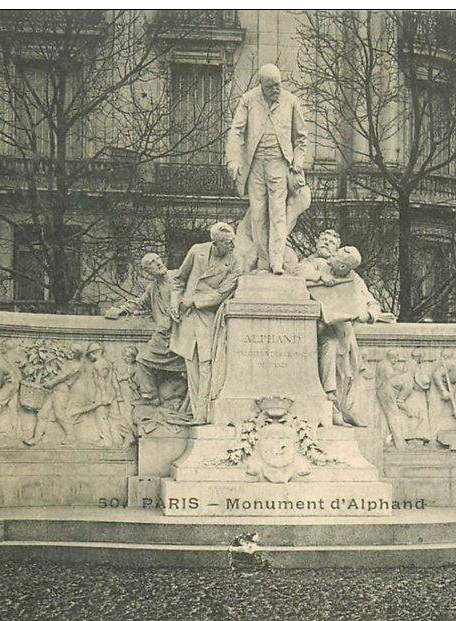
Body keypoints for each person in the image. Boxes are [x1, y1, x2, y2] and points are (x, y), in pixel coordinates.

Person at [226, 63, 308, 275]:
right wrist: (233, 160)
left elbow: (301, 137)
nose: (275, 90)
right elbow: (236, 131)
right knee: (258, 213)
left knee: (278, 212)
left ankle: (277, 259)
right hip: (255, 164)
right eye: (270, 86)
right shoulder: (248, 100)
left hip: (279, 163)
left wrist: (298, 161)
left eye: (278, 84)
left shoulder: (291, 102)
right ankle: (264, 259)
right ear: (260, 84)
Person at [307, 245, 396, 426]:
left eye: (337, 257)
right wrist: (320, 277)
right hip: (309, 327)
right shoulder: (318, 264)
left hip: (336, 331)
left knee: (336, 349)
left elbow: (372, 302)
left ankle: (336, 402)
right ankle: (337, 405)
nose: (331, 256)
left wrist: (369, 314)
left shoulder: (354, 280)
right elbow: (297, 271)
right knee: (334, 346)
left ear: (343, 268)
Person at [170, 222, 243, 422]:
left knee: (206, 365)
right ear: (216, 243)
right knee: (191, 364)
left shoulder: (237, 261)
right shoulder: (197, 251)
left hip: (208, 316)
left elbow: (222, 292)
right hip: (186, 318)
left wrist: (193, 300)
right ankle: (196, 411)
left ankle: (205, 414)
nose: (233, 245)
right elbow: (179, 280)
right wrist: (175, 303)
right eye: (228, 242)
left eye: (233, 240)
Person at [105, 253, 186, 405]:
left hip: (183, 333)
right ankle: (151, 397)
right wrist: (121, 310)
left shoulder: (177, 276)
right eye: (151, 263)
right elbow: (139, 303)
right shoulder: (152, 288)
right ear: (148, 271)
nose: (157, 263)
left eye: (157, 260)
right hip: (163, 336)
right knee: (142, 359)